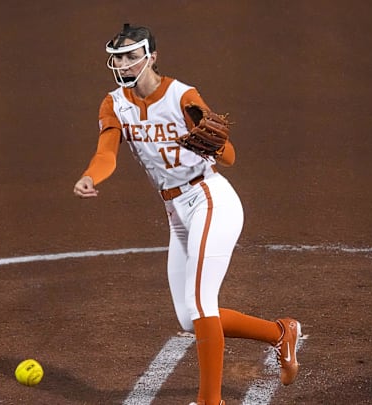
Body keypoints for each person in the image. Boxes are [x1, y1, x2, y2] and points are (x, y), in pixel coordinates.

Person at [72, 24, 303, 405]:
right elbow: (106, 153)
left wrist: (210, 142)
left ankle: (210, 401)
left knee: (200, 304)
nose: (124, 63)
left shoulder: (182, 96)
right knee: (189, 316)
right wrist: (88, 176)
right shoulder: (114, 103)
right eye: (119, 57)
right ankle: (280, 333)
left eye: (132, 55)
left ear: (152, 56)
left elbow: (229, 157)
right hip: (176, 211)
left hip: (210, 198)